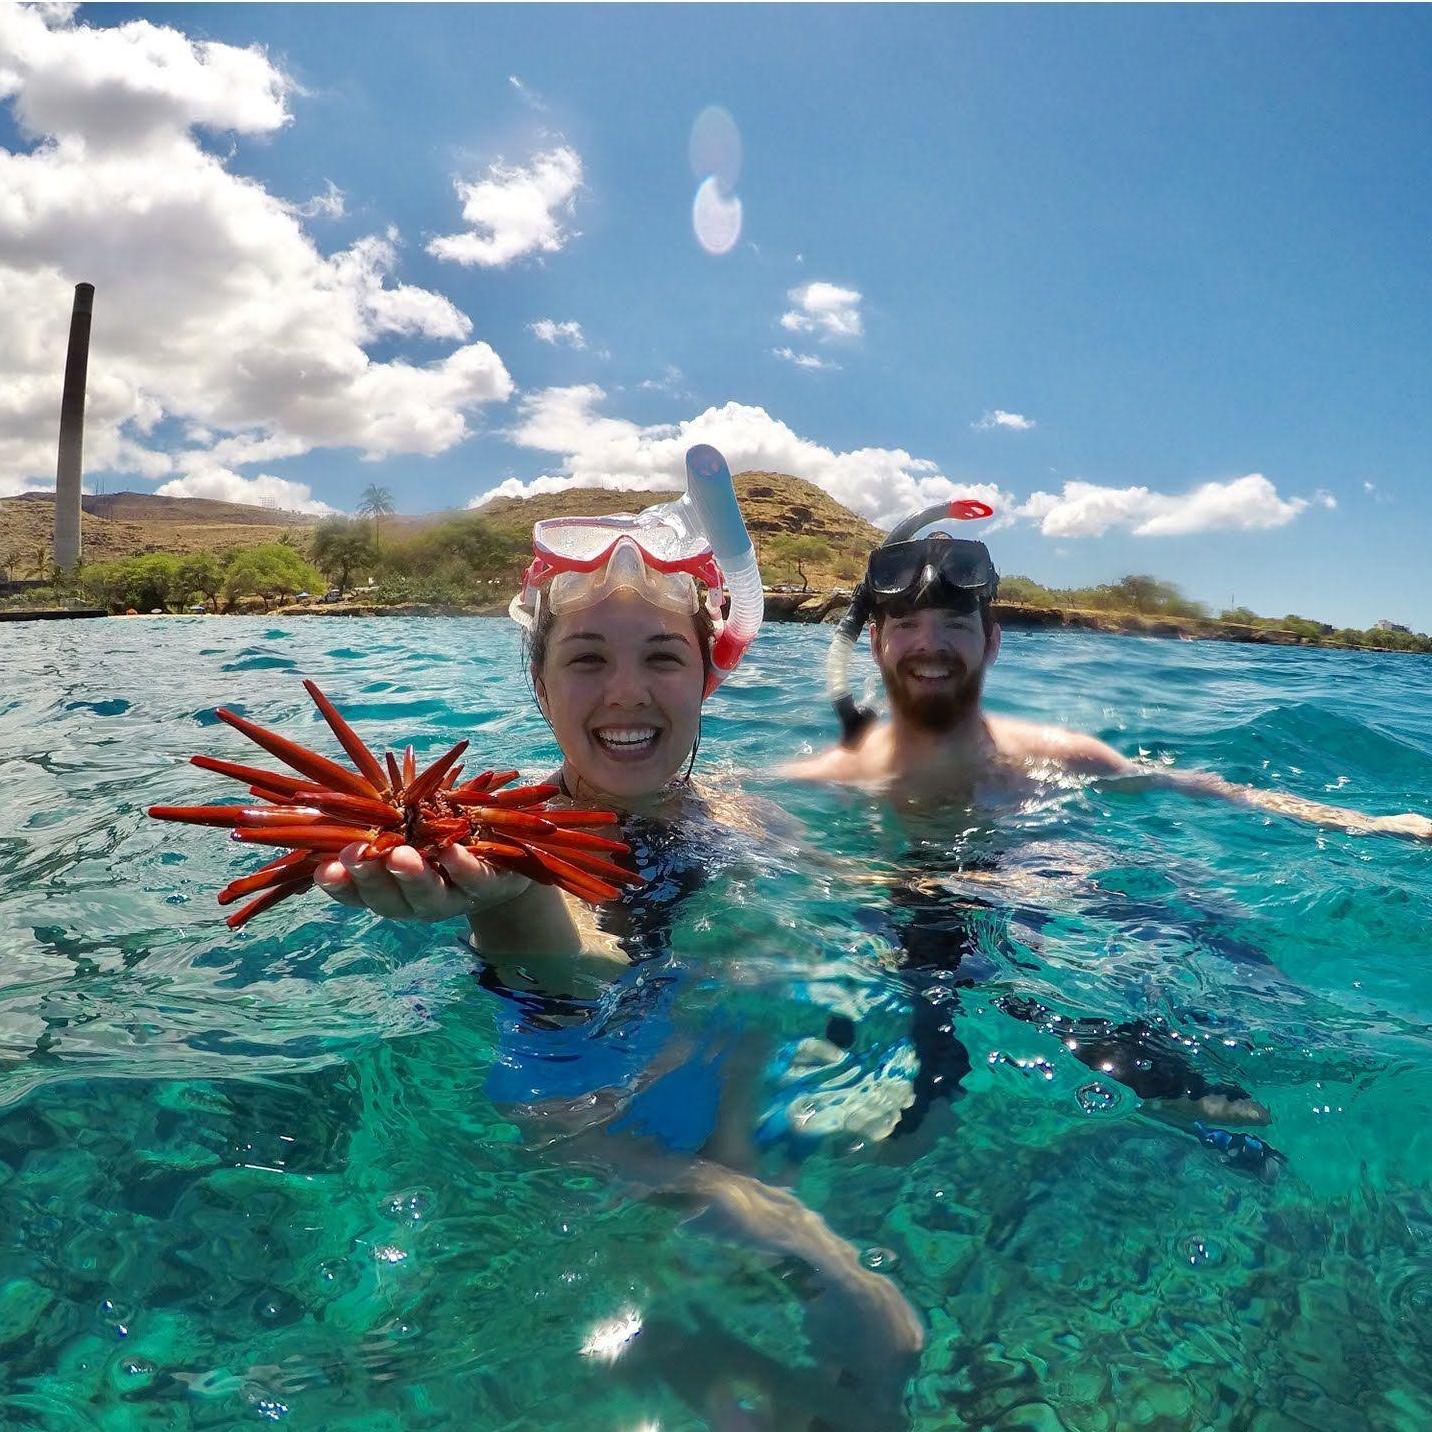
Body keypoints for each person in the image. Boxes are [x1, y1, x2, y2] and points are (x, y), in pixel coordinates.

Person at [315, 446, 924, 1429]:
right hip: (575, 1152)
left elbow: (813, 950)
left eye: (661, 657)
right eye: (587, 657)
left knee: (859, 1361)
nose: (626, 692)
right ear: (541, 684)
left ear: (706, 678)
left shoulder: (751, 824)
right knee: (866, 1331)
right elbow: (517, 932)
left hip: (718, 1113)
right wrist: (471, 894)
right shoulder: (507, 839)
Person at [786, 498, 1432, 831]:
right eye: (906, 626)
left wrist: (1370, 822)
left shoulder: (1067, 759)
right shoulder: (823, 781)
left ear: (994, 642)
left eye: (955, 624)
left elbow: (1211, 790)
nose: (930, 645)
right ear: (875, 644)